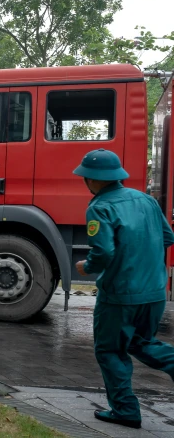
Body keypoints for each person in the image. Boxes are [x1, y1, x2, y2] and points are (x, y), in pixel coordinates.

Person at [74, 149, 174, 429]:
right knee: (141, 342)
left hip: (119, 294)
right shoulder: (147, 200)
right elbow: (168, 237)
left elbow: (103, 252)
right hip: (154, 291)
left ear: (93, 180)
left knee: (109, 350)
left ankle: (126, 410)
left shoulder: (99, 206)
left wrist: (87, 266)